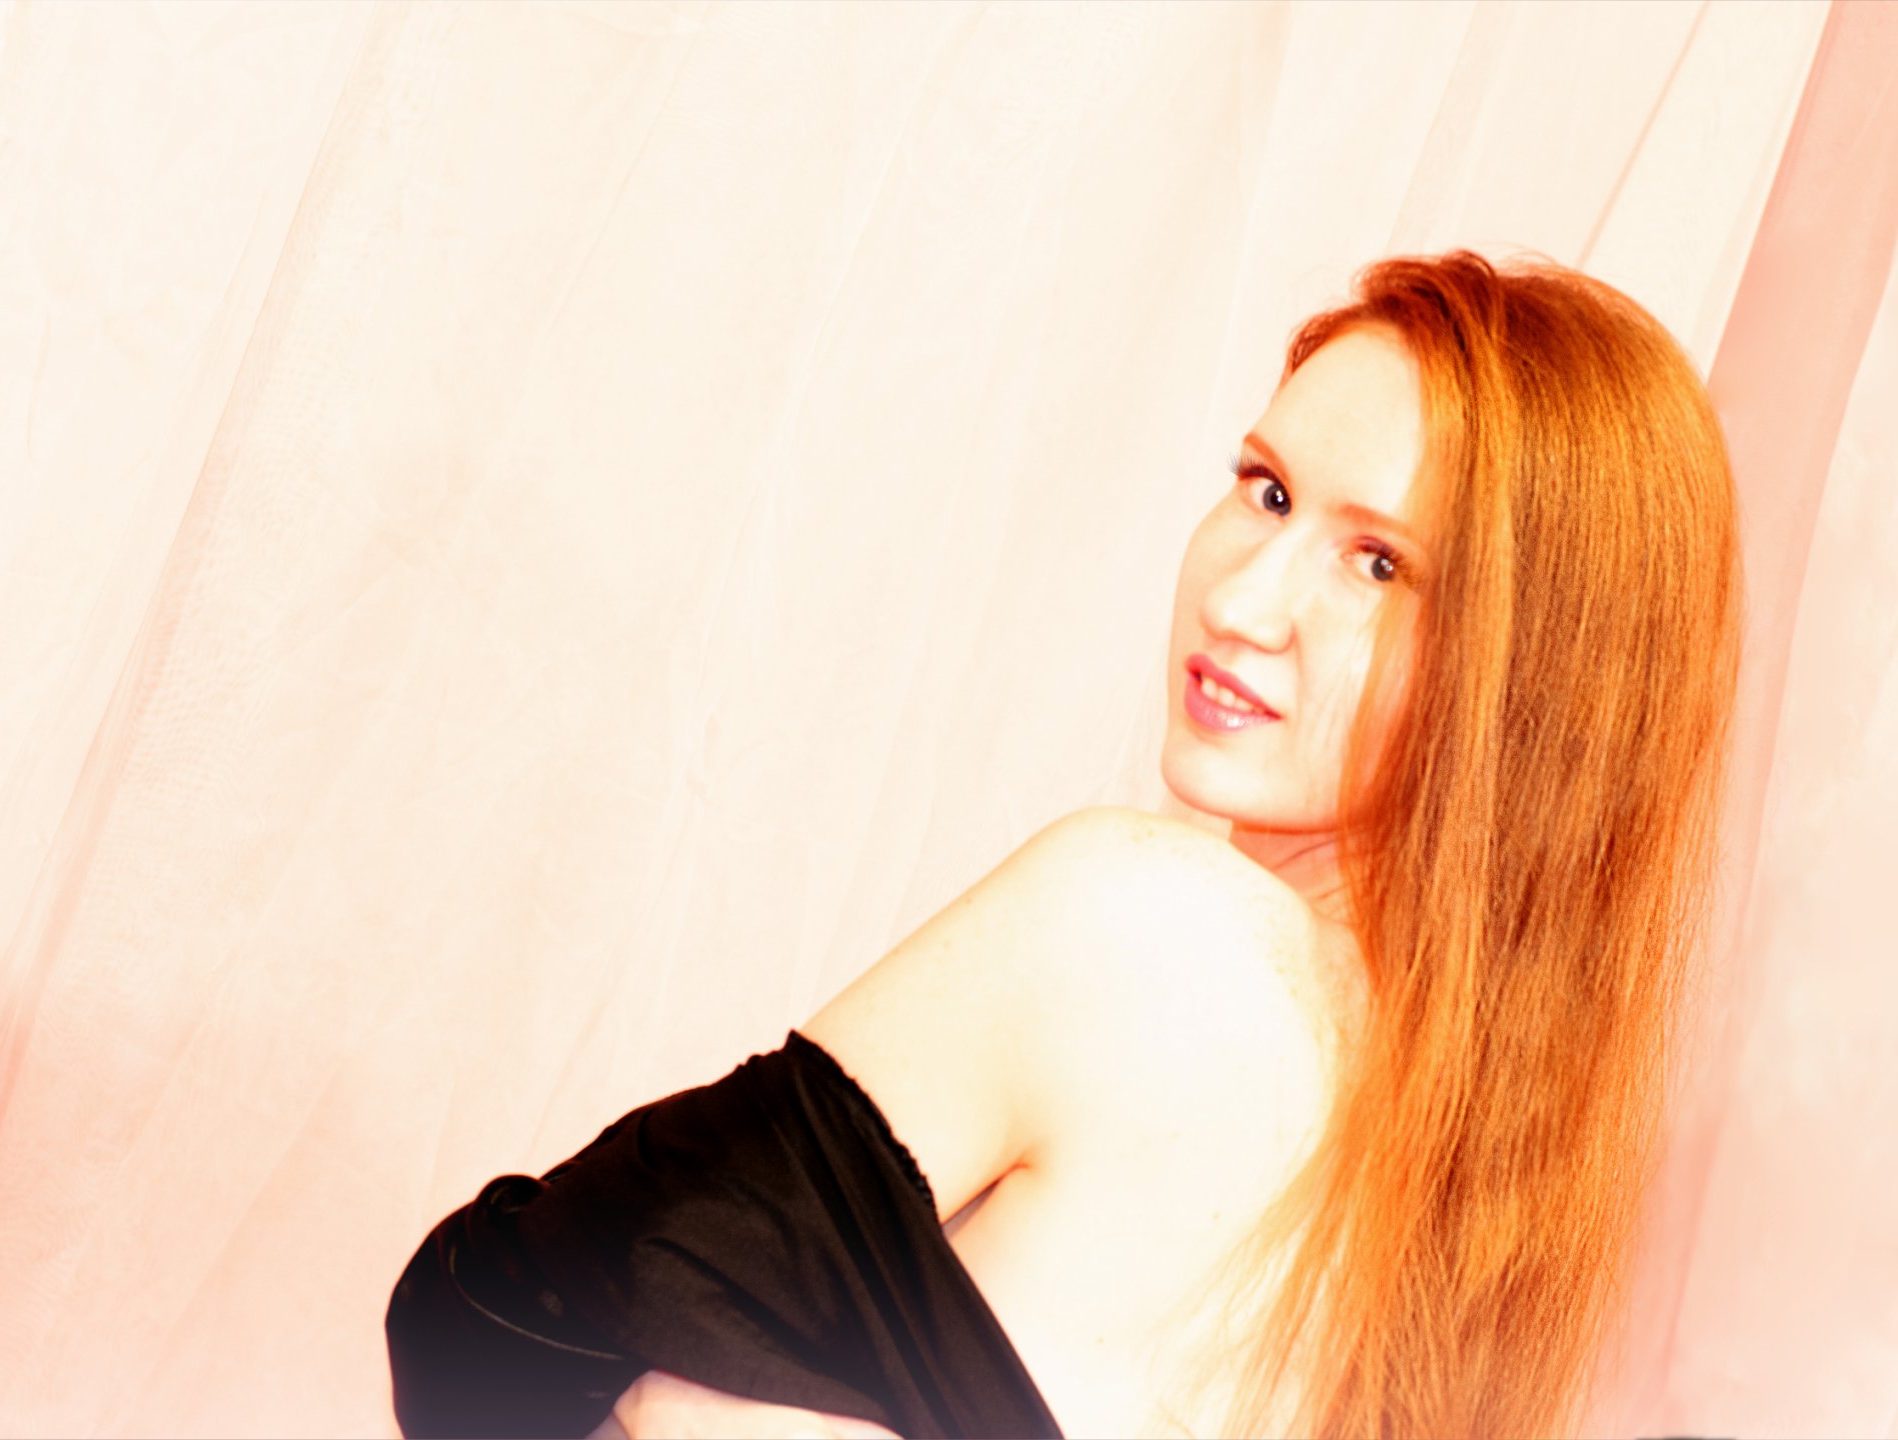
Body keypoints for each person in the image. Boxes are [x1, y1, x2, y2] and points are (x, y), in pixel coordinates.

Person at [384, 249, 1742, 1440]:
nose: (1246, 603)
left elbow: (478, 1327)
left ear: (1538, 679)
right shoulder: (1480, 1181)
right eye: (1267, 492)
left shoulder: (1148, 935)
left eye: (1377, 563)